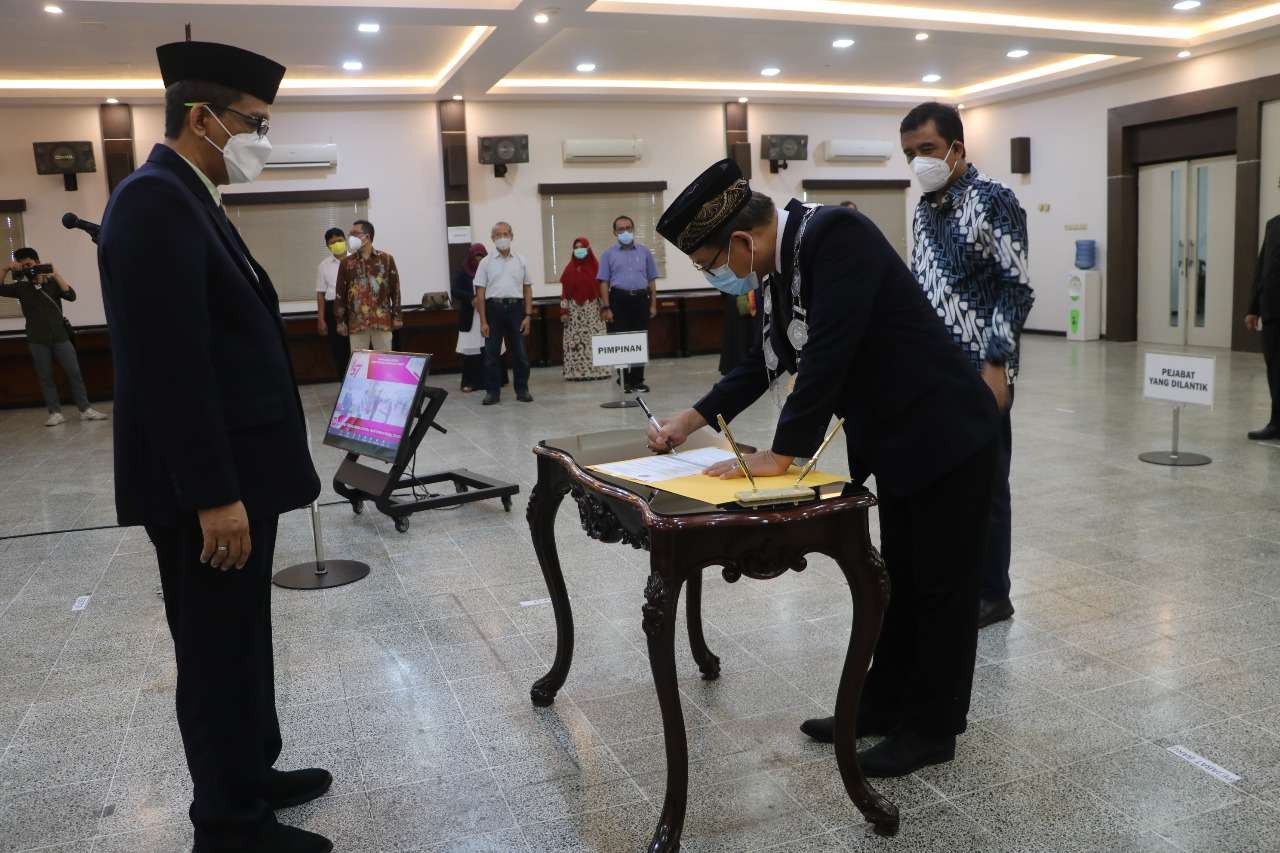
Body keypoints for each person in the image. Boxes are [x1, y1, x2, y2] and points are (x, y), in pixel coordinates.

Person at [648, 159, 998, 777]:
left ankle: (932, 728)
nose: (715, 275)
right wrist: (689, 419)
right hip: (897, 440)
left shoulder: (835, 235)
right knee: (904, 580)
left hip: (946, 431)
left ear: (740, 241)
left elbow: (830, 351)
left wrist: (782, 455)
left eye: (710, 263)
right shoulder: (783, 269)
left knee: (941, 586)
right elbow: (765, 363)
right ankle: (883, 704)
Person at [96, 40, 332, 853]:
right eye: (254, 123)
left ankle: (251, 775)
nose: (263, 138)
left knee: (242, 638)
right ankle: (227, 824)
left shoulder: (190, 197)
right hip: (211, 488)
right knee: (213, 649)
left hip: (239, 474)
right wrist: (212, 492)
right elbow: (171, 366)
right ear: (203, 119)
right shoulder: (153, 202)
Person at [901, 101, 1035, 630]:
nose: (918, 162)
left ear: (957, 147)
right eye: (909, 153)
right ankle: (954, 579)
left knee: (985, 485)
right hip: (934, 373)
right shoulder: (924, 209)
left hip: (982, 372)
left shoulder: (993, 201)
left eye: (927, 150)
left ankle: (992, 593)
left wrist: (997, 366)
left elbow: (1016, 286)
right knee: (944, 484)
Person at [1, 248, 107, 426]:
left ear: (37, 262)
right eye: (23, 265)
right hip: (37, 339)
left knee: (74, 373)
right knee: (46, 377)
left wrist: (54, 273)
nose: (28, 268)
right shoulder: (21, 287)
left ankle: (85, 409)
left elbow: (70, 295)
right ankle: (55, 413)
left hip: (60, 336)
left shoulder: (51, 283)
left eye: (30, 264)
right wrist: (6, 269)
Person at [474, 221, 534, 405]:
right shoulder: (485, 262)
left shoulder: (521, 260)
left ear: (512, 236)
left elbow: (527, 289)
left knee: (520, 354)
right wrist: (483, 321)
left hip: (516, 309)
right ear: (492, 238)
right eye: (498, 235)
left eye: (505, 234)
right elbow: (480, 294)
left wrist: (528, 316)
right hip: (493, 310)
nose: (502, 238)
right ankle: (492, 392)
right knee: (491, 354)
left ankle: (522, 389)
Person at [598, 215, 659, 392]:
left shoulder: (644, 252)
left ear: (633, 229)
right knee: (620, 340)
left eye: (628, 228)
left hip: (641, 300)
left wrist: (653, 304)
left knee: (640, 339)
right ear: (614, 232)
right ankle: (623, 379)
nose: (625, 232)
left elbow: (652, 280)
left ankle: (638, 380)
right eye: (620, 229)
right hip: (618, 300)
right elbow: (603, 282)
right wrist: (606, 307)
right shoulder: (608, 254)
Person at [334, 219, 401, 352]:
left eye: (355, 233)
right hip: (357, 323)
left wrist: (397, 316)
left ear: (367, 236)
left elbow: (395, 290)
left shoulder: (387, 259)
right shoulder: (346, 263)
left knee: (384, 363)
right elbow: (340, 294)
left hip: (382, 322)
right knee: (359, 365)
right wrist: (340, 321)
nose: (350, 237)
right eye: (350, 234)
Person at [1246, 212, 1280, 440]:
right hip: (1272, 310)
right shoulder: (1273, 224)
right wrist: (1253, 307)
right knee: (1275, 370)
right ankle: (1276, 423)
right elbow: (1262, 267)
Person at [559, 236, 611, 381]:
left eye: (582, 247)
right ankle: (575, 373)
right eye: (576, 247)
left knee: (595, 342)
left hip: (593, 312)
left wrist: (605, 309)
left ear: (588, 249)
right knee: (575, 343)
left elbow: (601, 290)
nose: (578, 250)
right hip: (574, 313)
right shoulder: (569, 269)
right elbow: (564, 294)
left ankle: (599, 372)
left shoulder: (597, 268)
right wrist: (563, 311)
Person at [452, 242, 488, 392]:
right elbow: (455, 291)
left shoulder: (490, 271)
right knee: (472, 350)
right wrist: (471, 298)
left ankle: (491, 381)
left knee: (488, 349)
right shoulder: (463, 273)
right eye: (476, 258)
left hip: (487, 315)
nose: (478, 261)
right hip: (471, 317)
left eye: (482, 257)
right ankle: (470, 382)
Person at [314, 227, 349, 377]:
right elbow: (320, 294)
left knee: (358, 347)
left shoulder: (357, 260)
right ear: (328, 246)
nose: (337, 244)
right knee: (339, 350)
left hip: (354, 309)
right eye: (332, 242)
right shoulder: (323, 265)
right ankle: (344, 383)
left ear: (345, 240)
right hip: (332, 309)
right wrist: (321, 320)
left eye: (340, 240)